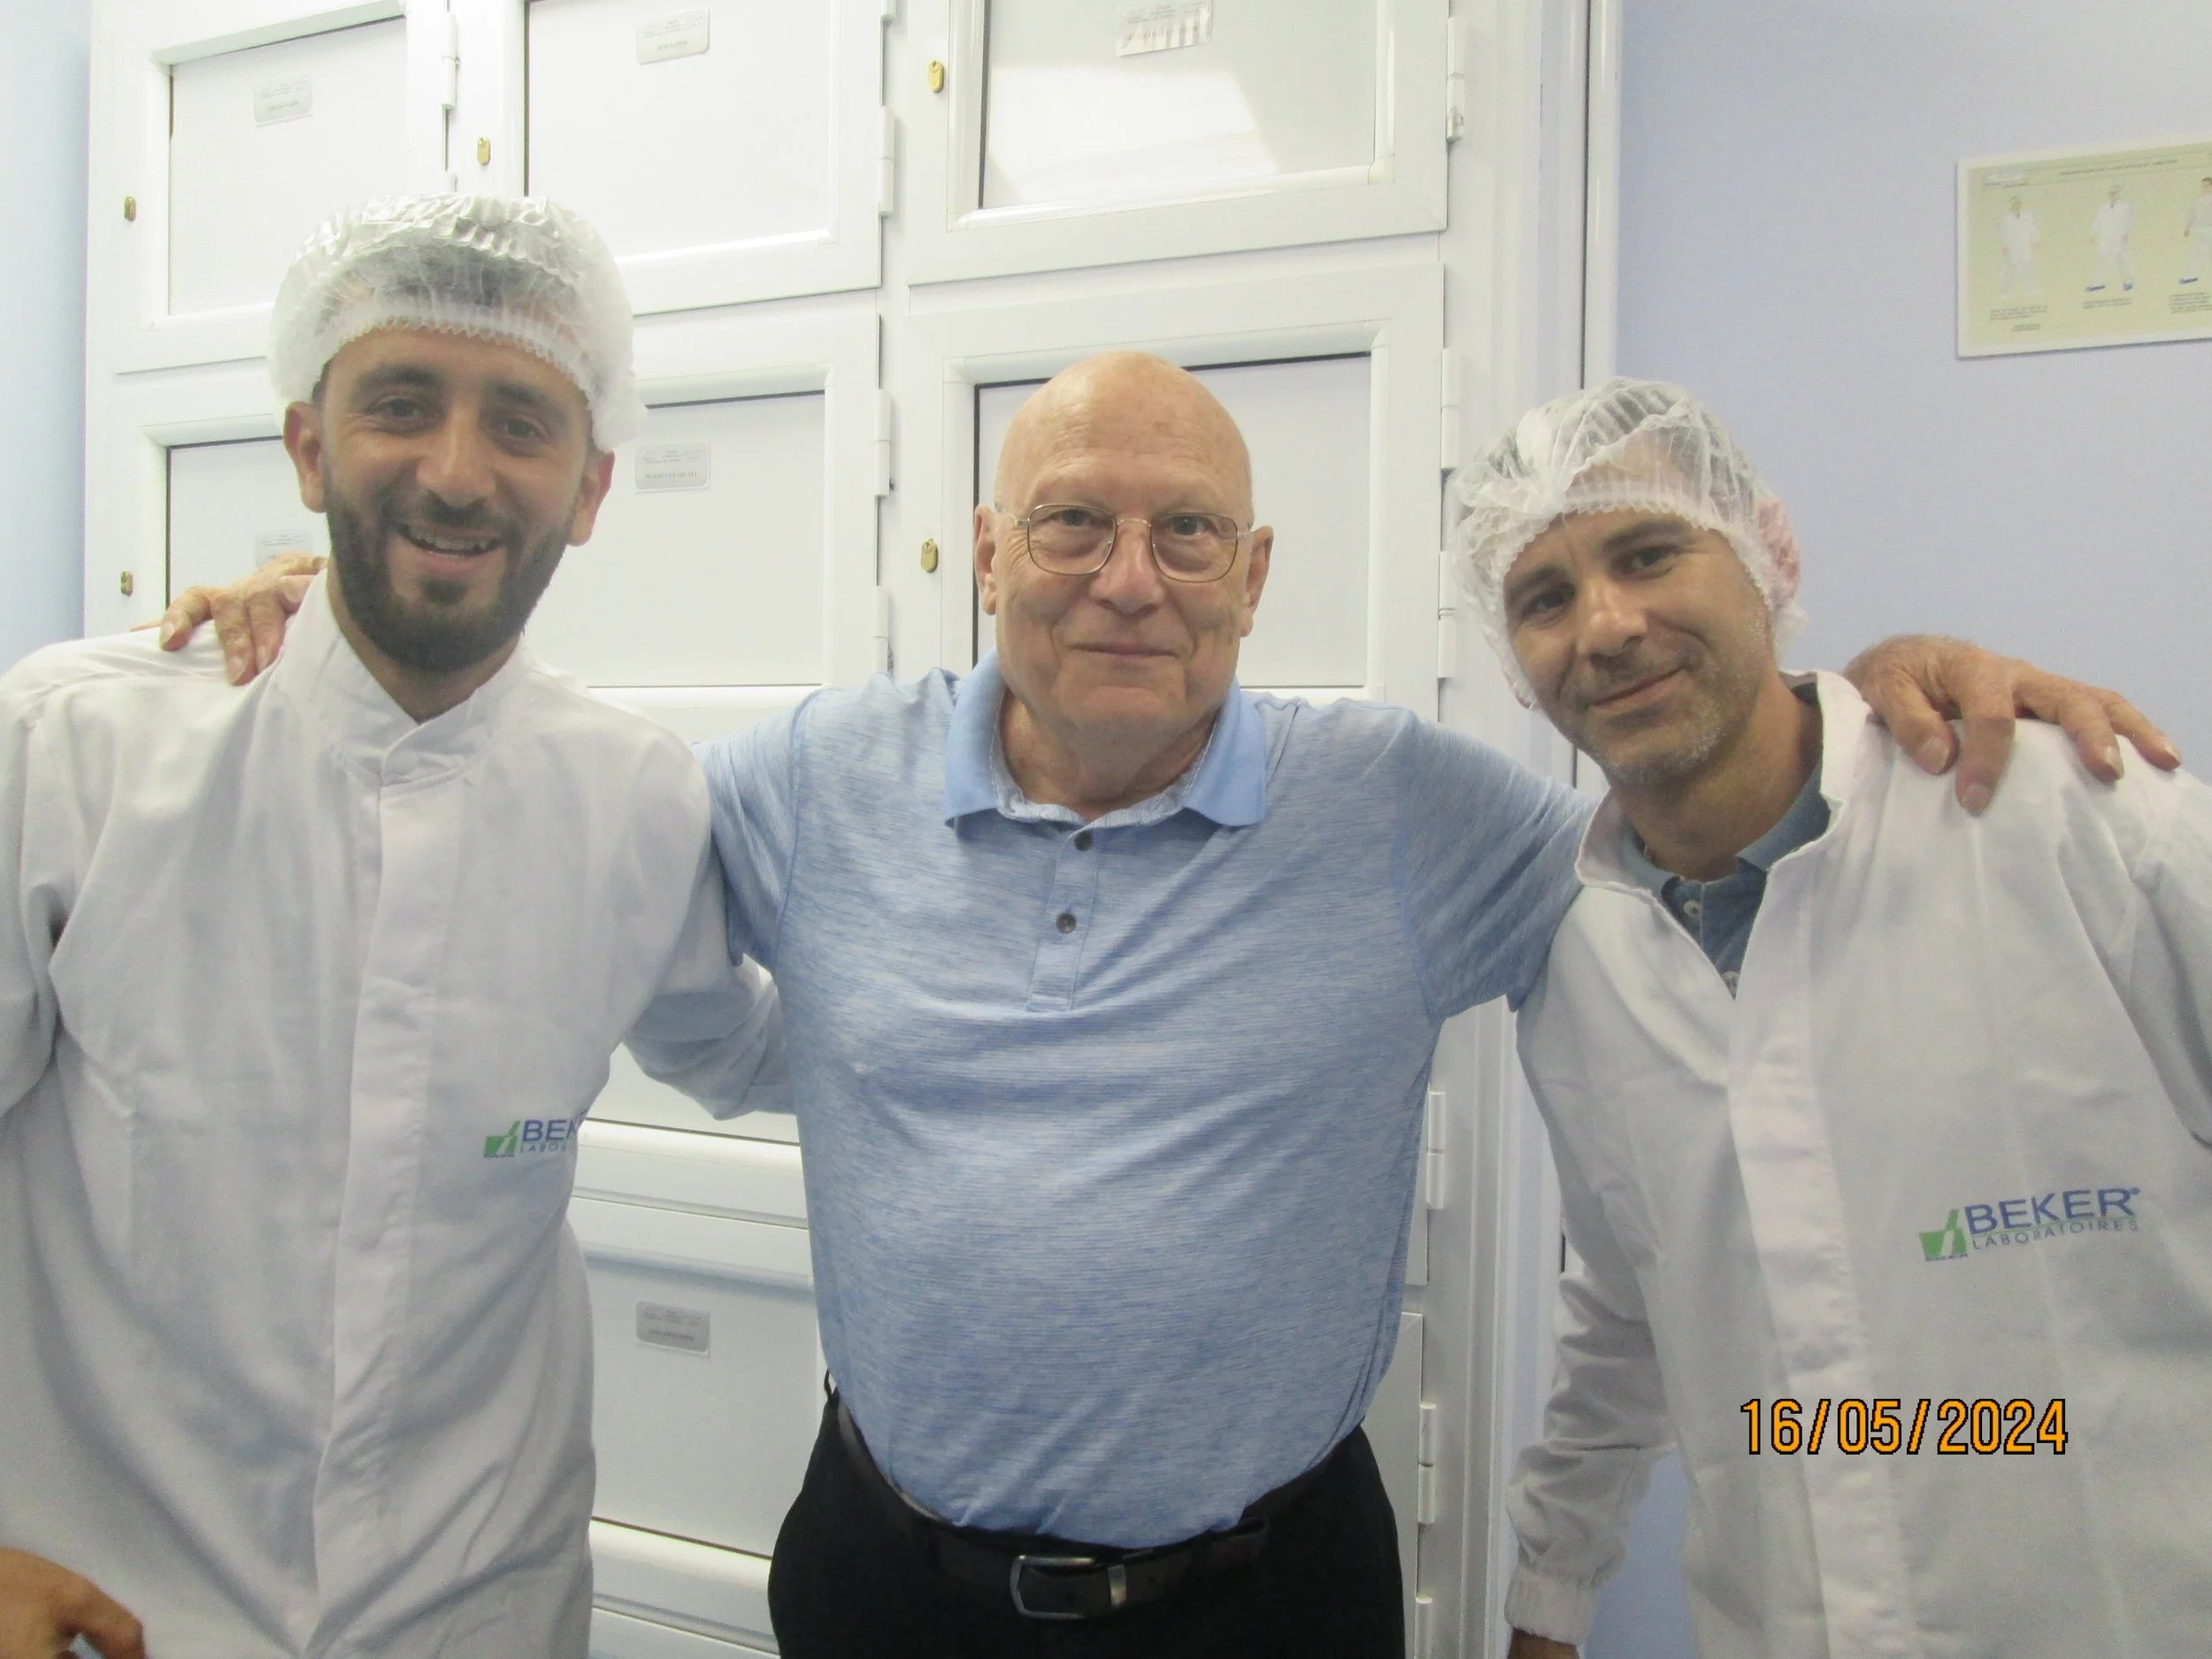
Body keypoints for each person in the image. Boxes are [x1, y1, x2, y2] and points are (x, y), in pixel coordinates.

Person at [166, 353, 2169, 1659]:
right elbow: (546, 825)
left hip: (1269, 1595)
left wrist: (1887, 687)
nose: (1129, 576)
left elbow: (1692, 810)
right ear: (984, 555)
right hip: (886, 1580)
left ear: (1255, 573)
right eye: (1072, 522)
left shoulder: (1413, 814)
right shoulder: (819, 778)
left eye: (1186, 532)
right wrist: (342, 620)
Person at [0, 196, 782, 1659]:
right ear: (309, 446)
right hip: (112, 1609)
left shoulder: (632, 800)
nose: (457, 472)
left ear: (592, 487)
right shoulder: (71, 751)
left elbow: (761, 1047)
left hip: (475, 1607)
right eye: (401, 405)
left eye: (521, 423)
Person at [1450, 380, 2212, 1658]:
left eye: (1648, 553)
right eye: (1544, 596)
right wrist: (1552, 1593)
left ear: (1765, 559)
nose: (1607, 625)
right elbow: (1628, 1304)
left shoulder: (2064, 812)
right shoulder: (1582, 960)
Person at [2089, 182, 2134, 292]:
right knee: (2102, 258)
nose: (2112, 195)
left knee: (2121, 258)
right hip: (2105, 236)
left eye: (2114, 193)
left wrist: (2125, 232)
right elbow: (2097, 221)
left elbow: (2128, 220)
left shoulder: (2124, 207)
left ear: (2119, 194)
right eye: (2110, 193)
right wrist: (2093, 233)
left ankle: (2128, 282)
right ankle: (2099, 283)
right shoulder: (2103, 207)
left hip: (2118, 236)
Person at [1995, 196, 2039, 296]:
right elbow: (2002, 232)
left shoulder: (2027, 216)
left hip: (2024, 245)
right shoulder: (2006, 218)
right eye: (2015, 204)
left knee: (2028, 267)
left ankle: (2031, 289)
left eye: (2018, 203)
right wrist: (2004, 244)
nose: (2017, 205)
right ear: (2011, 205)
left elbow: (2032, 228)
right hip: (2012, 246)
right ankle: (2004, 291)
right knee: (2010, 268)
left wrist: (2036, 240)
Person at [2183, 175, 2212, 284]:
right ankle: (2192, 275)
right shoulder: (2197, 199)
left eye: (2207, 185)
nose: (2205, 188)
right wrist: (2187, 227)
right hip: (2199, 229)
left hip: (2210, 228)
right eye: (2203, 186)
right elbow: (2192, 213)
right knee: (2195, 252)